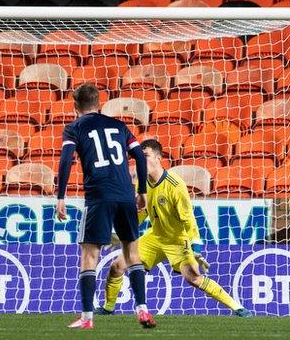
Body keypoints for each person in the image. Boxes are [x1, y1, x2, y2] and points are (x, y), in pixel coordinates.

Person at [95, 139, 252, 317]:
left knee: (193, 277)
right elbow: (141, 213)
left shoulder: (175, 185)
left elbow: (189, 220)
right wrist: (120, 233)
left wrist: (196, 248)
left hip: (178, 239)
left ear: (158, 158)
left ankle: (238, 308)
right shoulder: (142, 183)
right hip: (154, 237)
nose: (140, 160)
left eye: (145, 156)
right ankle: (108, 308)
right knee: (117, 267)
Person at [55, 83, 155, 330]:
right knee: (132, 252)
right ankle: (142, 309)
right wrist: (141, 191)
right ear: (98, 103)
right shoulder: (119, 126)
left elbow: (66, 159)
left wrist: (61, 196)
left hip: (99, 195)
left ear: (75, 106)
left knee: (89, 255)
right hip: (125, 194)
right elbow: (140, 156)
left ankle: (87, 317)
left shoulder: (74, 127)